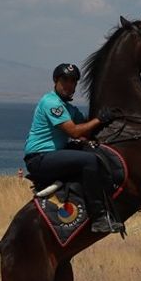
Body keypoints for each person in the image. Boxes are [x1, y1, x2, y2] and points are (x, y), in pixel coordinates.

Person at [24, 63, 121, 233]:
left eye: (73, 81)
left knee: (93, 152)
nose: (69, 85)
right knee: (88, 161)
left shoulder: (69, 108)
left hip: (53, 155)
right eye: (65, 80)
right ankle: (98, 218)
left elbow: (87, 127)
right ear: (55, 81)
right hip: (39, 158)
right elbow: (75, 132)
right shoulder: (51, 102)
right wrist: (100, 119)